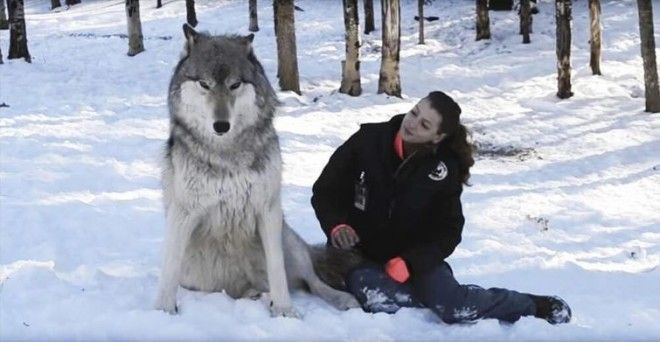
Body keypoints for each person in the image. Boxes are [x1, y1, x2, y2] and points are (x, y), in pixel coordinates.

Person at [311, 91, 571, 325]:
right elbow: (325, 191)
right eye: (414, 112)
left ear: (437, 137)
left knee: (454, 307)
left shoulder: (444, 169)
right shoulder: (367, 140)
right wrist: (337, 224)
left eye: (424, 124)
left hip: (415, 258)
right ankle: (428, 300)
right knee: (378, 299)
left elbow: (449, 229)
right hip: (359, 255)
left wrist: (411, 263)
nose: (411, 123)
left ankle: (532, 305)